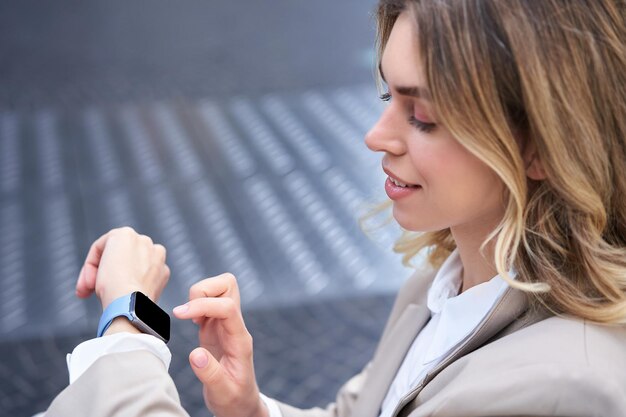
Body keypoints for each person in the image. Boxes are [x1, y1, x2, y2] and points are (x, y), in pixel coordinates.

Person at [43, 0, 626, 416]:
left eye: (422, 116)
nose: (377, 136)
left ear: (542, 145)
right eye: (386, 95)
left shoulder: (561, 389)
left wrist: (128, 325)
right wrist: (254, 411)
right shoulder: (445, 284)